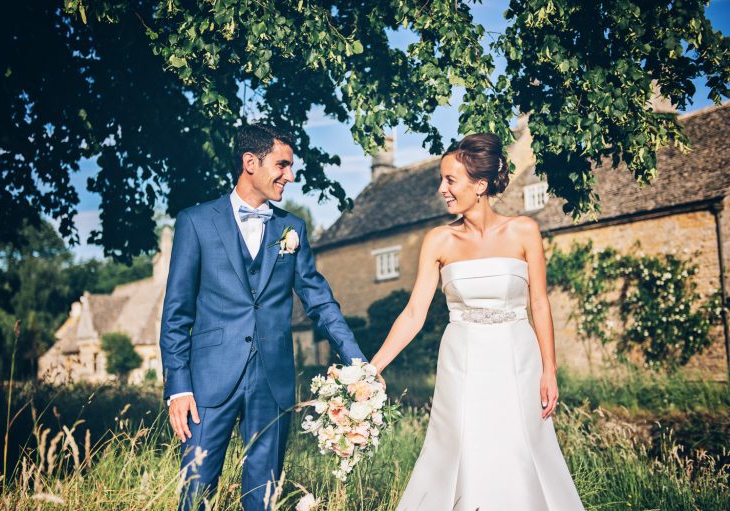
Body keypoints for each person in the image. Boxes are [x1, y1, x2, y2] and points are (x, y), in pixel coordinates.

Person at [370, 133, 585, 510]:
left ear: (480, 185)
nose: (442, 189)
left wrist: (549, 369)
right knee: (464, 448)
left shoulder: (524, 231)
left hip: (518, 361)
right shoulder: (438, 240)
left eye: (450, 180)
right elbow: (415, 312)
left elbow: (539, 302)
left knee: (518, 448)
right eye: (442, 179)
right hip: (462, 363)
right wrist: (373, 368)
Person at [159, 124, 366, 511]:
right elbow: (176, 313)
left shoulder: (292, 228)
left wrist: (358, 363)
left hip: (273, 381)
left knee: (264, 497)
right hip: (207, 383)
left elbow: (320, 301)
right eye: (282, 165)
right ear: (250, 162)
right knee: (196, 493)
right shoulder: (195, 222)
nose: (290, 175)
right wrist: (179, 387)